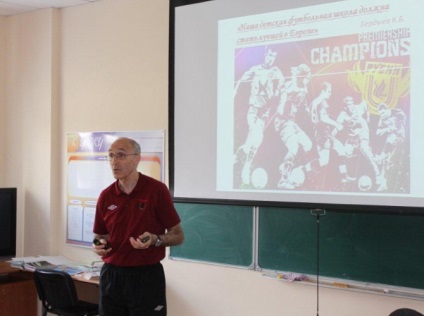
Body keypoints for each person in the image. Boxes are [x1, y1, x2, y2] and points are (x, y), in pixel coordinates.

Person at [93, 137, 184, 316]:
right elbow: (100, 235)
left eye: (120, 155)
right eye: (110, 156)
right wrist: (99, 245)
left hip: (146, 276)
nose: (114, 162)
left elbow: (178, 235)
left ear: (136, 159)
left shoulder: (157, 190)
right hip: (112, 276)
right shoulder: (106, 195)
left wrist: (155, 240)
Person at [233, 45, 285, 187]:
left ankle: (241, 159)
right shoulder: (256, 69)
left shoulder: (276, 72)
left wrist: (281, 102)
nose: (270, 59)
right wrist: (234, 92)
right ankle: (245, 167)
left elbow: (283, 87)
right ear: (265, 55)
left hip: (265, 112)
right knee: (255, 135)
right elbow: (241, 79)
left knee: (256, 143)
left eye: (273, 56)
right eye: (269, 55)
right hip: (254, 109)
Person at [273, 63, 313, 189]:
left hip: (291, 122)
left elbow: (303, 99)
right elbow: (284, 93)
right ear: (301, 77)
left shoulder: (304, 88)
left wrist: (306, 109)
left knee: (308, 145)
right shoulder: (292, 85)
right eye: (307, 77)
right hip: (283, 121)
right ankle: (283, 180)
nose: (309, 80)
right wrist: (281, 105)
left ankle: (286, 166)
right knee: (293, 148)